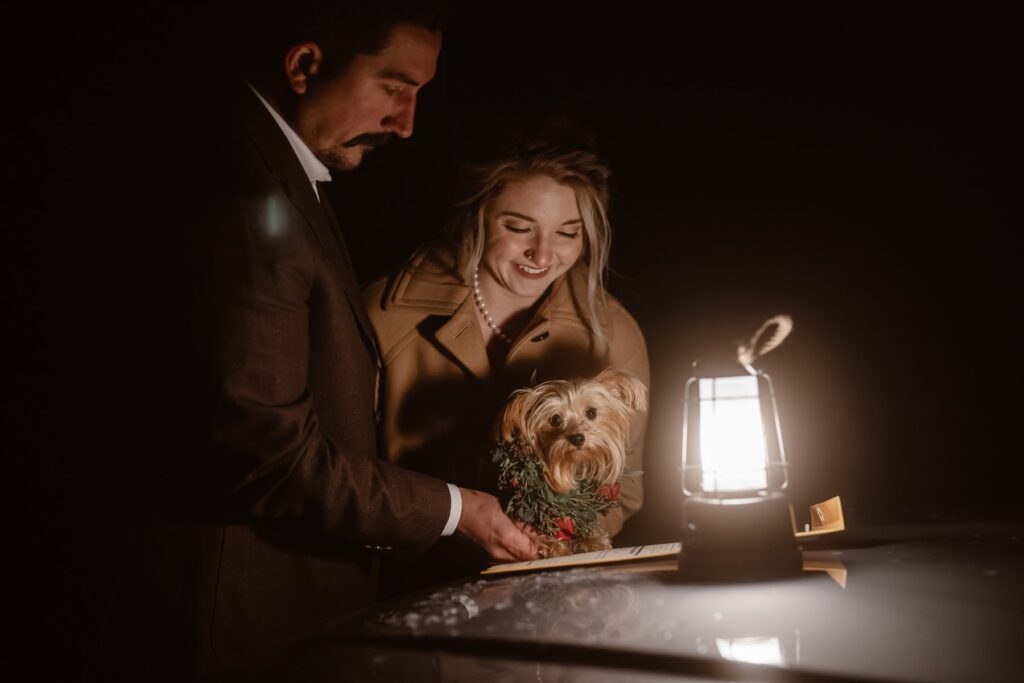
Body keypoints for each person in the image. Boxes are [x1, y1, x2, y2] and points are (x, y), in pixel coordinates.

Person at [88, 2, 535, 680]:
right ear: (304, 66)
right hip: (234, 633)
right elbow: (273, 459)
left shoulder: (281, 172)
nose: (407, 124)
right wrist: (457, 509)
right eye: (394, 87)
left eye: (420, 94)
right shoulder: (246, 198)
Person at [365, 138, 650, 596]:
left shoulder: (614, 331)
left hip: (550, 594)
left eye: (567, 233)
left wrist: (547, 546)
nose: (542, 254)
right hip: (401, 590)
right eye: (519, 227)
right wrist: (450, 523)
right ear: (476, 216)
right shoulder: (383, 315)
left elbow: (622, 491)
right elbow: (338, 475)